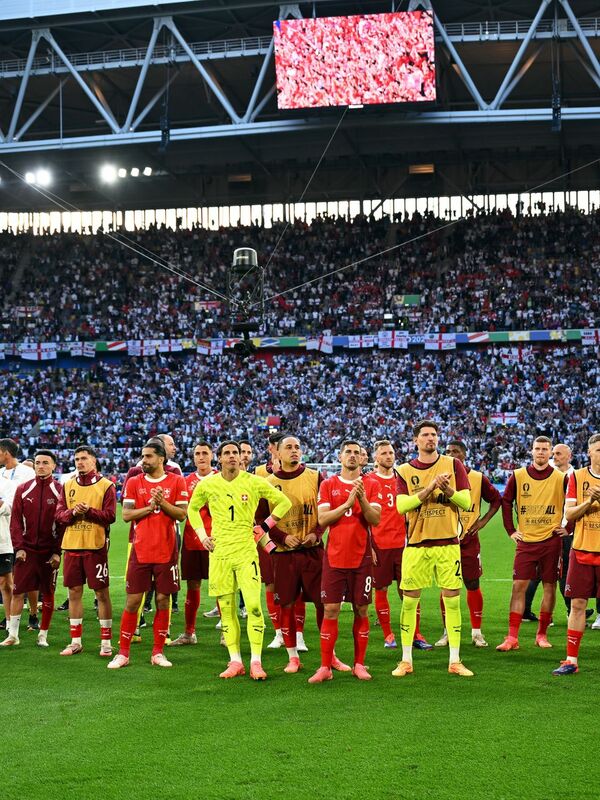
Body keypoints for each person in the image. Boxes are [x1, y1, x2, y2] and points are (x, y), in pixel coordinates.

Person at [187, 440, 292, 680]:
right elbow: (193, 510)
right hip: (220, 553)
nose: (233, 456)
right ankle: (235, 661)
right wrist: (203, 536)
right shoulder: (209, 484)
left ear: (240, 458)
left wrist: (264, 526)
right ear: (220, 459)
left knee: (254, 606)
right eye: (227, 453)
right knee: (226, 608)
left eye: (236, 452)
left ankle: (256, 661)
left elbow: (284, 502)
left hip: (246, 552)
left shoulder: (254, 482)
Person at [392, 420, 474, 678]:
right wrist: (430, 488)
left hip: (448, 544)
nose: (431, 438)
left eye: (434, 434)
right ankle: (406, 660)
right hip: (416, 545)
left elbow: (467, 501)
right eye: (425, 435)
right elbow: (401, 506)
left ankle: (455, 660)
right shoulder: (404, 470)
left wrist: (448, 489)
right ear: (415, 440)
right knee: (409, 602)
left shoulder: (453, 465)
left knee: (452, 602)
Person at [262, 435, 341, 673]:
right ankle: (293, 657)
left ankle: (331, 656)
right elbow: (259, 521)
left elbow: (326, 511)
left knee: (323, 604)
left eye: (297, 447)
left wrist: (317, 533)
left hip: (313, 552)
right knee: (286, 605)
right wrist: (282, 538)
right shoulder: (267, 483)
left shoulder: (316, 477)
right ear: (277, 452)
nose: (294, 451)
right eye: (289, 447)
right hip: (284, 554)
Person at [108, 439, 188, 669]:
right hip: (140, 550)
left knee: (163, 600)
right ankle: (123, 653)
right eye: (143, 456)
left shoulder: (176, 480)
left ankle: (158, 652)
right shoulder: (134, 481)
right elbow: (126, 515)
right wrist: (151, 506)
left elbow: (181, 515)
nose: (144, 460)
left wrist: (162, 503)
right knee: (133, 601)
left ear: (161, 458)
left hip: (167, 550)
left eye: (148, 456)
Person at [309, 440, 382, 683]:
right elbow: (322, 520)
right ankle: (325, 667)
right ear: (340, 457)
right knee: (331, 609)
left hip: (361, 559)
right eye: (347, 452)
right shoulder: (329, 484)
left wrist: (360, 500)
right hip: (334, 558)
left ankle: (359, 664)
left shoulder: (371, 484)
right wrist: (348, 504)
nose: (352, 456)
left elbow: (375, 519)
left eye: (357, 453)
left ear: (363, 459)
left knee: (361, 609)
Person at [496, 436, 568, 652]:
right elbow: (506, 501)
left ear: (551, 453)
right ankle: (512, 637)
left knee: (549, 587)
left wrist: (569, 526)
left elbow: (573, 502)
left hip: (551, 541)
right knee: (518, 586)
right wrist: (511, 530)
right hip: (526, 541)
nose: (541, 452)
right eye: (537, 449)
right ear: (531, 451)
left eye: (545, 449)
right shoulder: (518, 476)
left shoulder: (560, 478)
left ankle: (542, 634)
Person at [433, 441, 501, 648]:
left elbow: (497, 499)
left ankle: (476, 632)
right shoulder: (437, 479)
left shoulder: (478, 478)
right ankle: (447, 632)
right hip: (445, 540)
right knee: (446, 587)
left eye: (456, 452)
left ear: (464, 454)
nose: (452, 455)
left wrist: (483, 521)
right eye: (448, 452)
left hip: (469, 540)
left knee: (472, 584)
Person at [369, 439, 432, 651]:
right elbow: (364, 516)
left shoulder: (402, 478)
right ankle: (388, 634)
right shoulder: (368, 480)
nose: (389, 456)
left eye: (391, 452)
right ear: (376, 458)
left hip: (405, 545)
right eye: (384, 453)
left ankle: (415, 633)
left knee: (409, 590)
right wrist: (369, 546)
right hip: (379, 545)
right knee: (381, 590)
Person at [55, 445, 116, 657]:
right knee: (73, 593)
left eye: (84, 458)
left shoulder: (106, 485)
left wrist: (88, 511)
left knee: (101, 593)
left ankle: (106, 642)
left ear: (94, 461)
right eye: (77, 459)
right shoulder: (68, 485)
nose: (79, 462)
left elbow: (110, 516)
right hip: (71, 545)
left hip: (95, 546)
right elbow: (59, 516)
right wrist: (73, 512)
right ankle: (75, 641)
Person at [2, 450, 62, 647]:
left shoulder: (60, 490)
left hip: (48, 552)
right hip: (26, 550)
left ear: (54, 466)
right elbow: (16, 522)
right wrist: (18, 547)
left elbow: (62, 525)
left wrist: (57, 551)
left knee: (48, 592)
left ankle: (42, 635)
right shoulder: (23, 489)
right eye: (37, 462)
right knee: (18, 592)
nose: (41, 466)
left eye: (46, 462)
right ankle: (13, 635)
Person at [553, 433, 600, 675]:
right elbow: (569, 515)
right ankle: (571, 660)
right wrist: (590, 501)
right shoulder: (577, 477)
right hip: (582, 550)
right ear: (589, 452)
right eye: (598, 450)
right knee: (578, 604)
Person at [170, 441, 215, 646]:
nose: (201, 457)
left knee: (221, 587)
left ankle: (226, 633)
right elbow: (181, 513)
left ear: (212, 456)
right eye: (197, 453)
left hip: (216, 540)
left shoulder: (220, 479)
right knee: (192, 586)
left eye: (205, 453)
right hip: (191, 540)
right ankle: (189, 633)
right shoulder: (185, 481)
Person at [0, 439, 38, 630]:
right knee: (6, 577)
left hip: (24, 530)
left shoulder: (27, 472)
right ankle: (10, 617)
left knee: (28, 575)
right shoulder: (0, 473)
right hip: (4, 530)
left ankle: (33, 613)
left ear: (6, 452)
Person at [255, 432, 285, 648]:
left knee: (294, 587)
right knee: (270, 583)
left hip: (293, 535)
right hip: (267, 535)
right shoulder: (258, 473)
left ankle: (296, 632)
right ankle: (278, 632)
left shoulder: (302, 473)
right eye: (277, 446)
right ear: (271, 448)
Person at [0, 473, 17, 638]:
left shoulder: (8, 485)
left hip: (2, 541)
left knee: (5, 583)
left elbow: (9, 508)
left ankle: (9, 622)